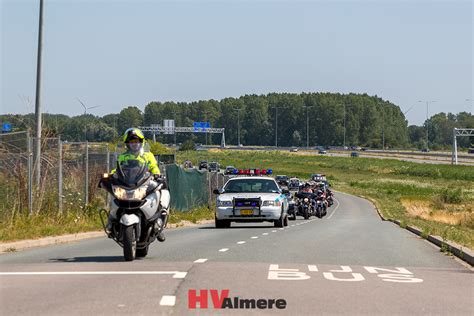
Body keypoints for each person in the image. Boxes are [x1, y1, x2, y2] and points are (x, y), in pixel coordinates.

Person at [107, 128, 169, 242]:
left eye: (136, 142)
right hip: (127, 183)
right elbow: (117, 169)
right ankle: (111, 221)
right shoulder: (123, 156)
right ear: (127, 144)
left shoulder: (148, 155)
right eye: (131, 142)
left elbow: (154, 166)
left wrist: (156, 174)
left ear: (141, 142)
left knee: (160, 192)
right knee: (114, 195)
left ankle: (158, 223)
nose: (134, 144)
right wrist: (111, 175)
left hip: (143, 182)